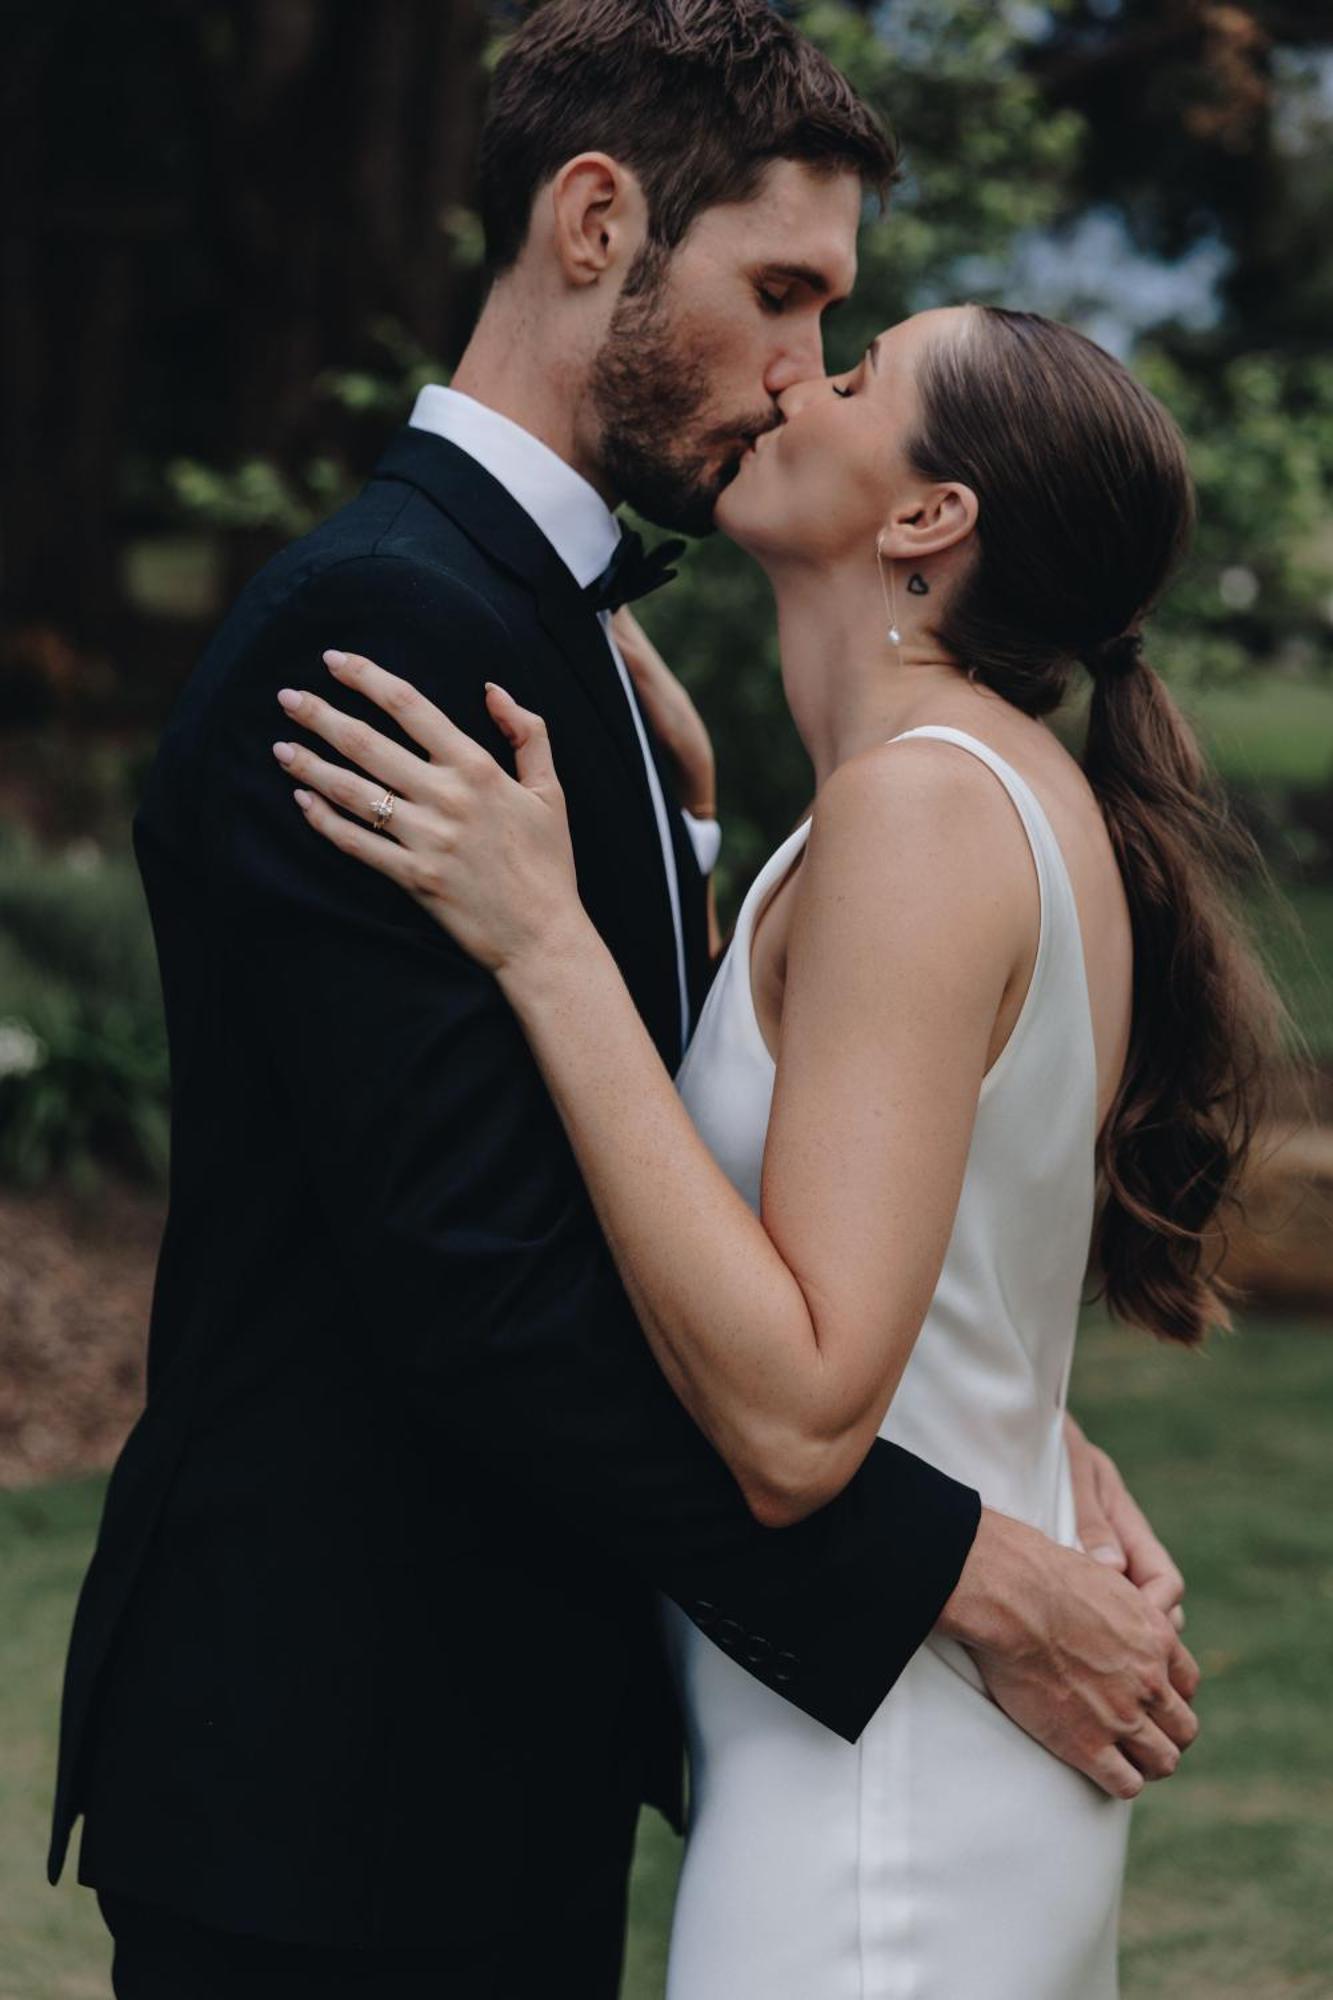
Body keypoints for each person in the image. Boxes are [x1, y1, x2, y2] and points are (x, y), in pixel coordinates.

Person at [50, 5, 1199, 1996]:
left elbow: (740, 1185)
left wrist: (1007, 1426)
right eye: (782, 293)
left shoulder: (583, 655)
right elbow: (485, 1284)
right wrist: (951, 1557)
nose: (793, 373)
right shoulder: (388, 623)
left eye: (834, 327)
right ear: (595, 223)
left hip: (505, 1759)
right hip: (340, 1784)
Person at [282, 301, 1283, 1995]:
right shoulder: (965, 792)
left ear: (925, 516)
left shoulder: (922, 814)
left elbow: (798, 1419)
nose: (796, 378)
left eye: (857, 367)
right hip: (895, 1755)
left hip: (880, 1811)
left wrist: (545, 944)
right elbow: (940, 1269)